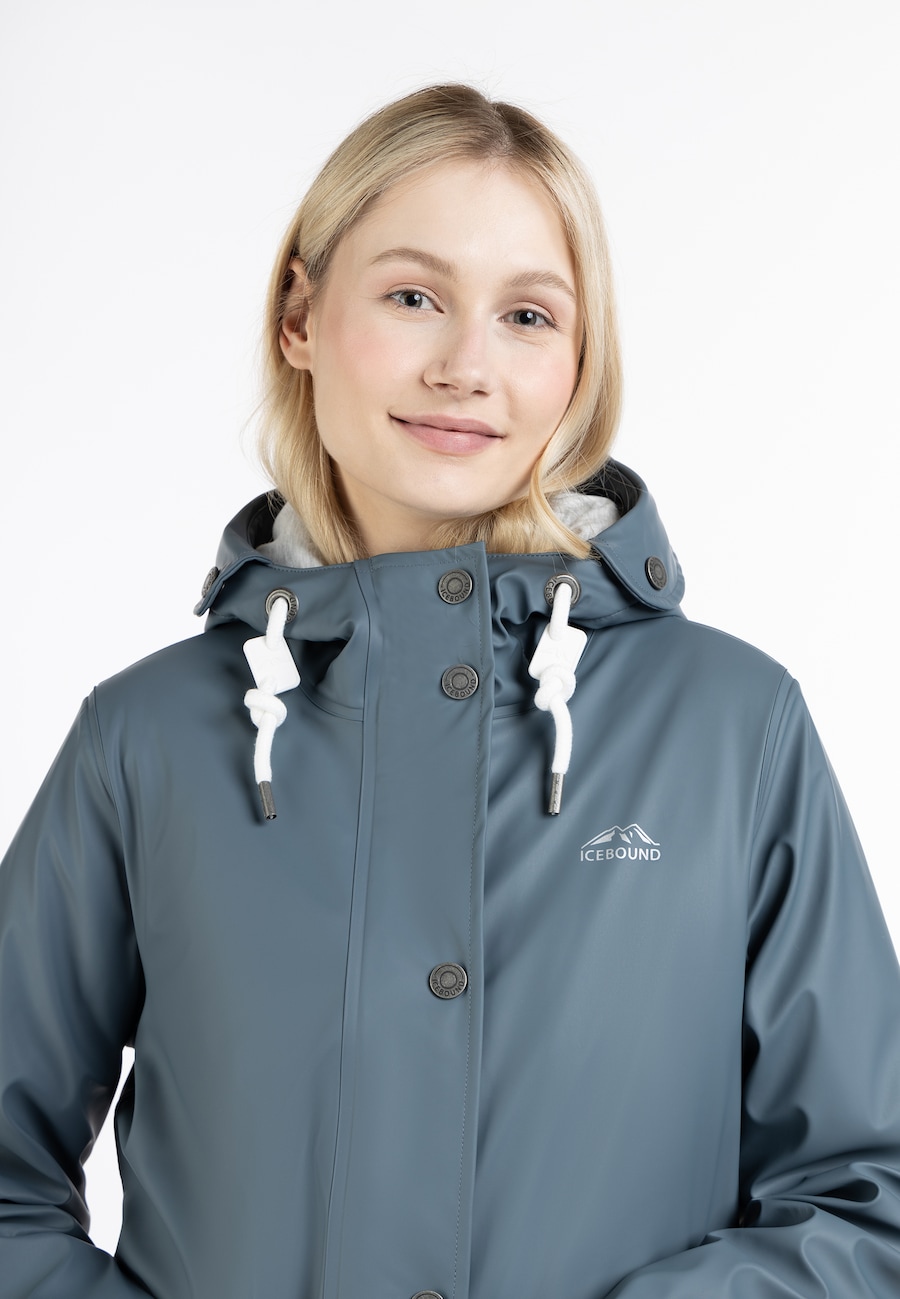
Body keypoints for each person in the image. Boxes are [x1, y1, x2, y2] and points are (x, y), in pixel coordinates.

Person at [1, 82, 899, 1299]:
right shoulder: (146, 741)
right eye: (414, 297)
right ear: (301, 316)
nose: (467, 366)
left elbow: (868, 1195)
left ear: (579, 361)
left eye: (528, 315)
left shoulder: (732, 728)